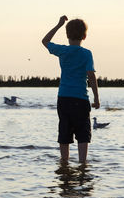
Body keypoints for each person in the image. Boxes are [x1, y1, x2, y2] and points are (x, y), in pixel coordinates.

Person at [42, 15, 100, 163]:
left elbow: (45, 41)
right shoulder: (87, 54)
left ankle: (64, 163)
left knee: (64, 133)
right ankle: (82, 165)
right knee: (83, 134)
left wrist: (58, 25)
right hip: (81, 99)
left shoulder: (62, 51)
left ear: (67, 35)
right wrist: (96, 98)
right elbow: (91, 77)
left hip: (64, 98)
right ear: (84, 36)